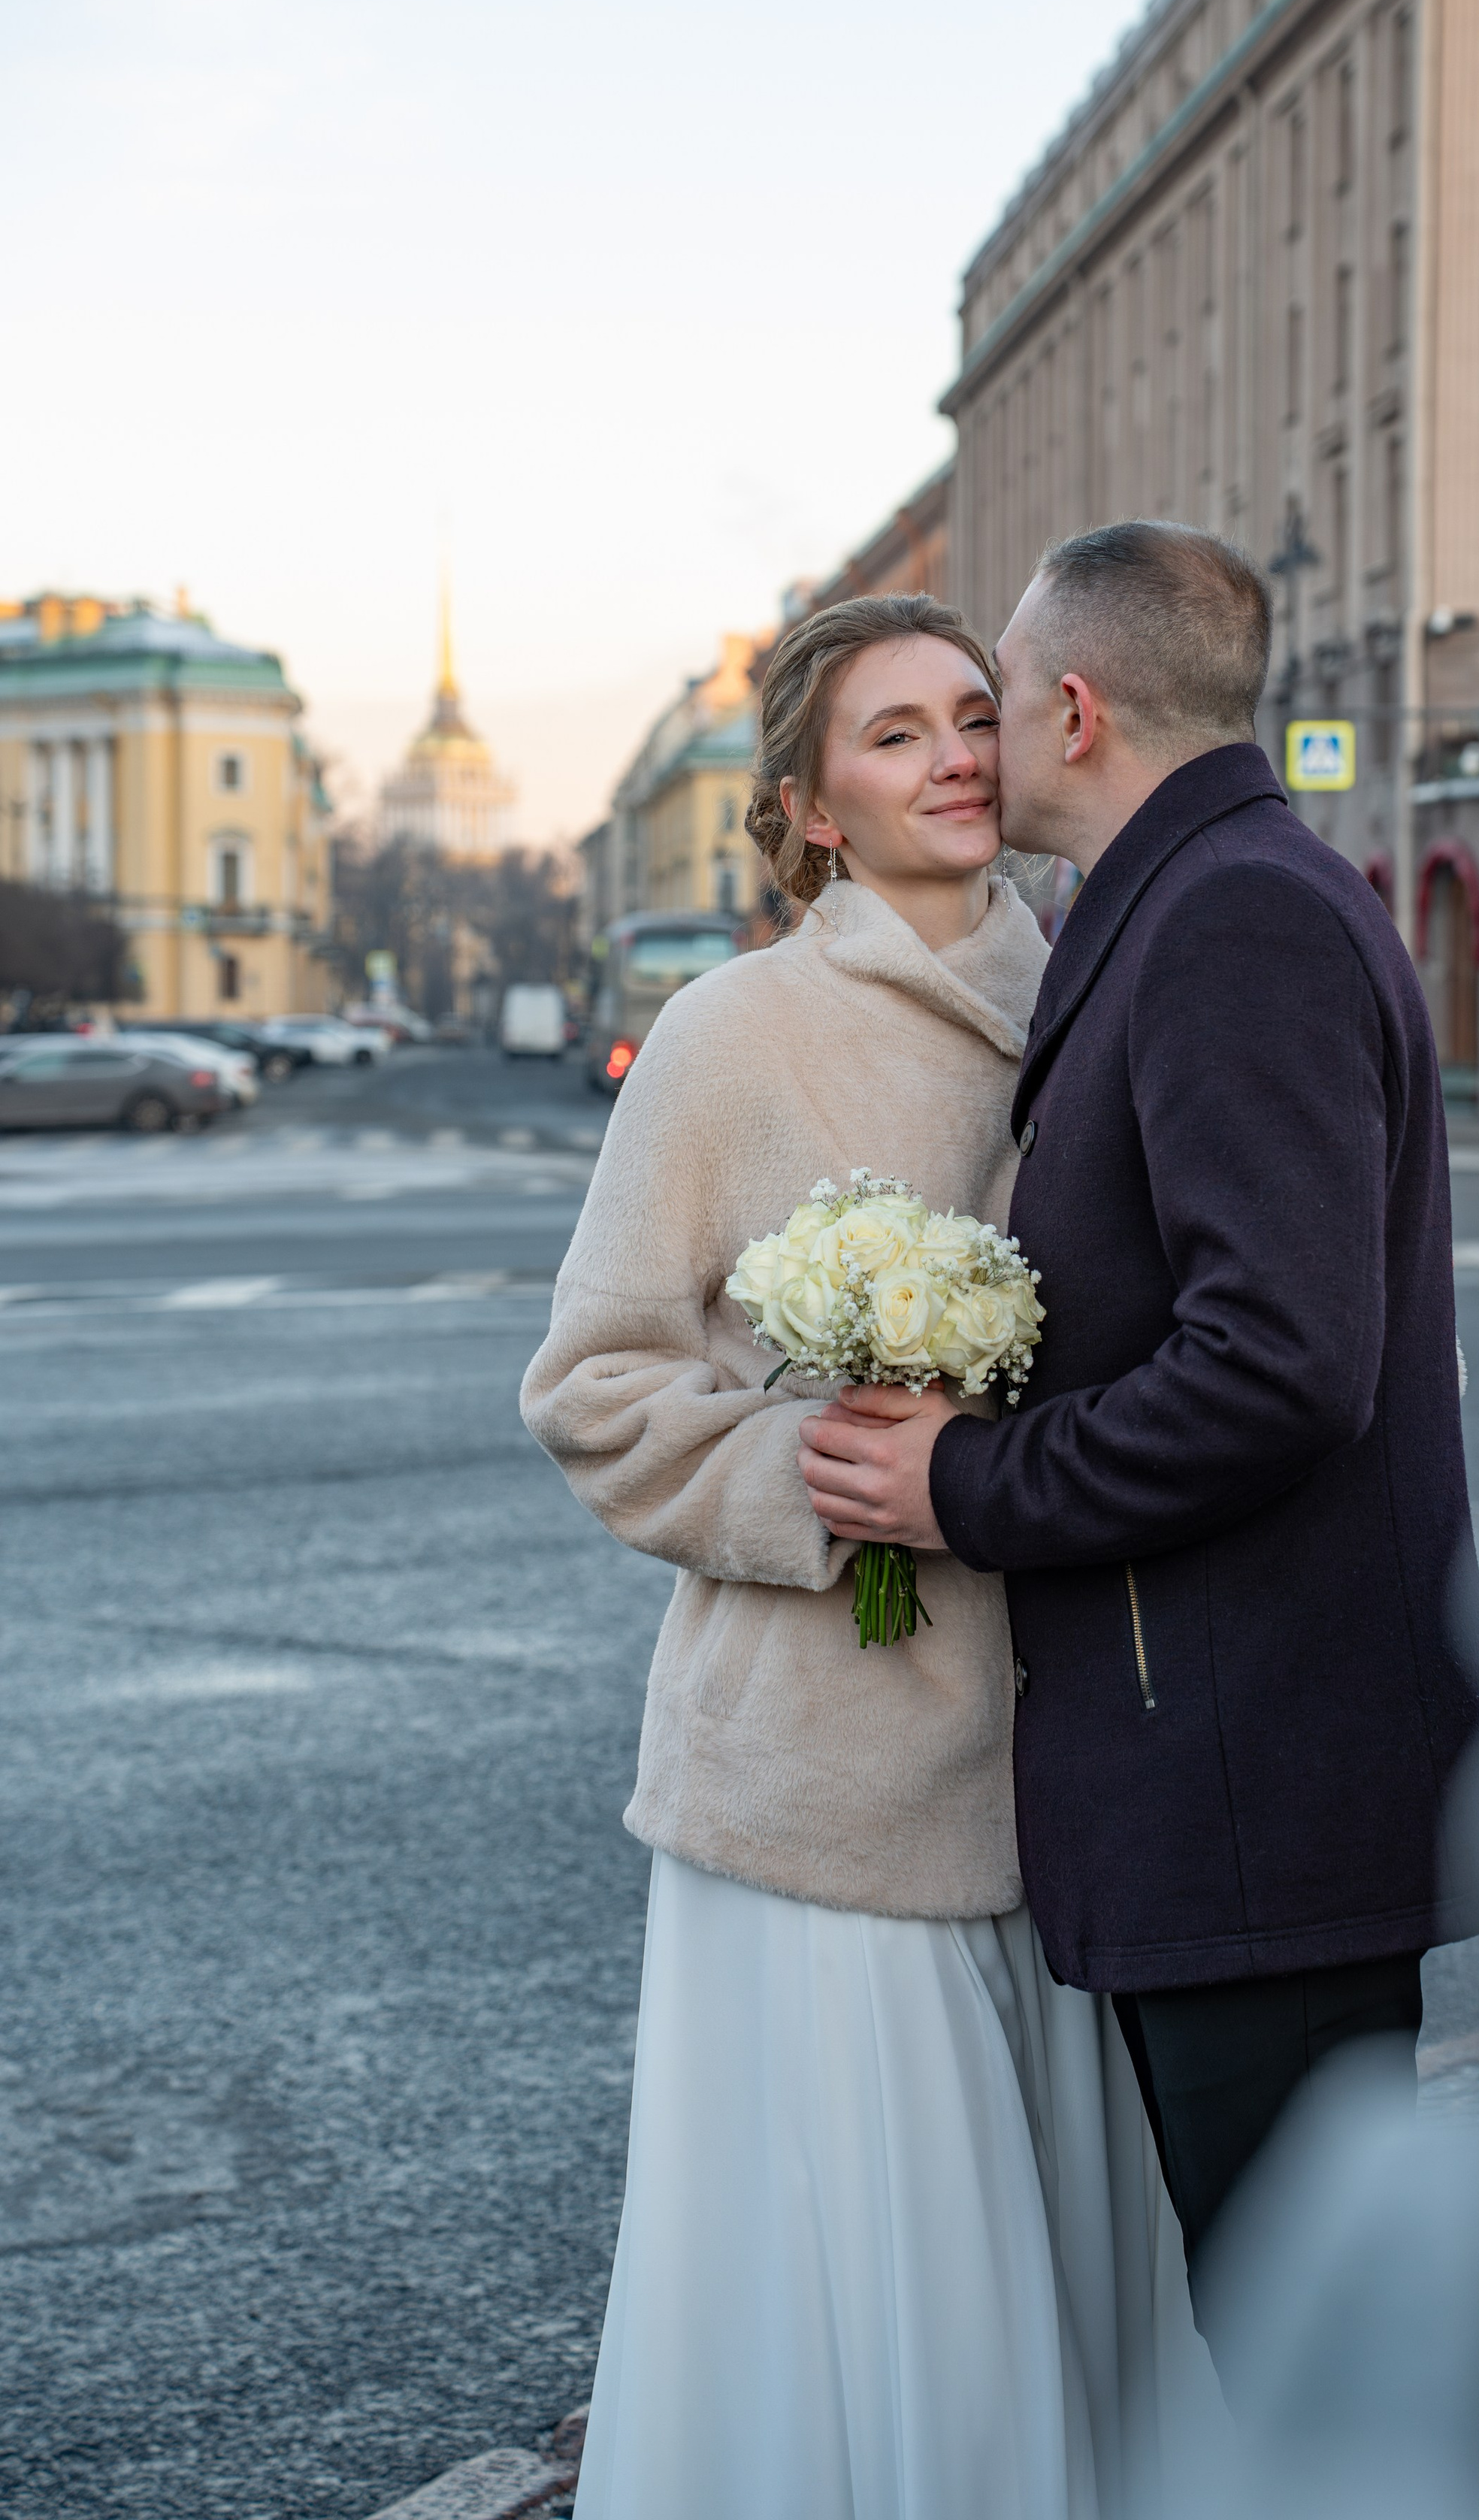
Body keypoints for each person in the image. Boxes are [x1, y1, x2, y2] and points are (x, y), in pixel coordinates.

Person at [521, 591, 1217, 2520]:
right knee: (869, 2296)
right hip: (819, 1772)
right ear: (811, 807)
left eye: (974, 716)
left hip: (1068, 1759)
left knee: (1058, 2288)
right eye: (895, 735)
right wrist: (822, 1479)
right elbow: (592, 1384)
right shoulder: (734, 1031)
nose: (956, 760)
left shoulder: (1106, 977)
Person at [800, 524, 1479, 2316]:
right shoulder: (1224, 897)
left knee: (1307, 2346)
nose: (972, 752)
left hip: (1245, 1777)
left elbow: (1278, 1363)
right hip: (1244, 1767)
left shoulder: (1228, 920)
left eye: (990, 704)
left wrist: (961, 1481)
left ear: (1072, 707)